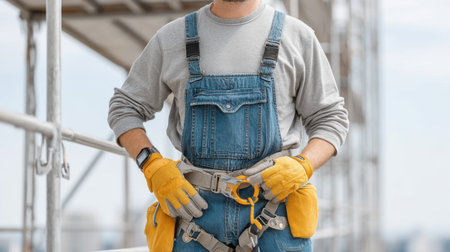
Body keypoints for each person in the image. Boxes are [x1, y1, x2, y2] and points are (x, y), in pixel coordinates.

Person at [108, 0, 349, 251]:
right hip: (192, 216)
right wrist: (152, 165)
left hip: (274, 216)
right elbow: (124, 107)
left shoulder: (298, 37)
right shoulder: (171, 39)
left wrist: (303, 166)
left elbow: (331, 118)